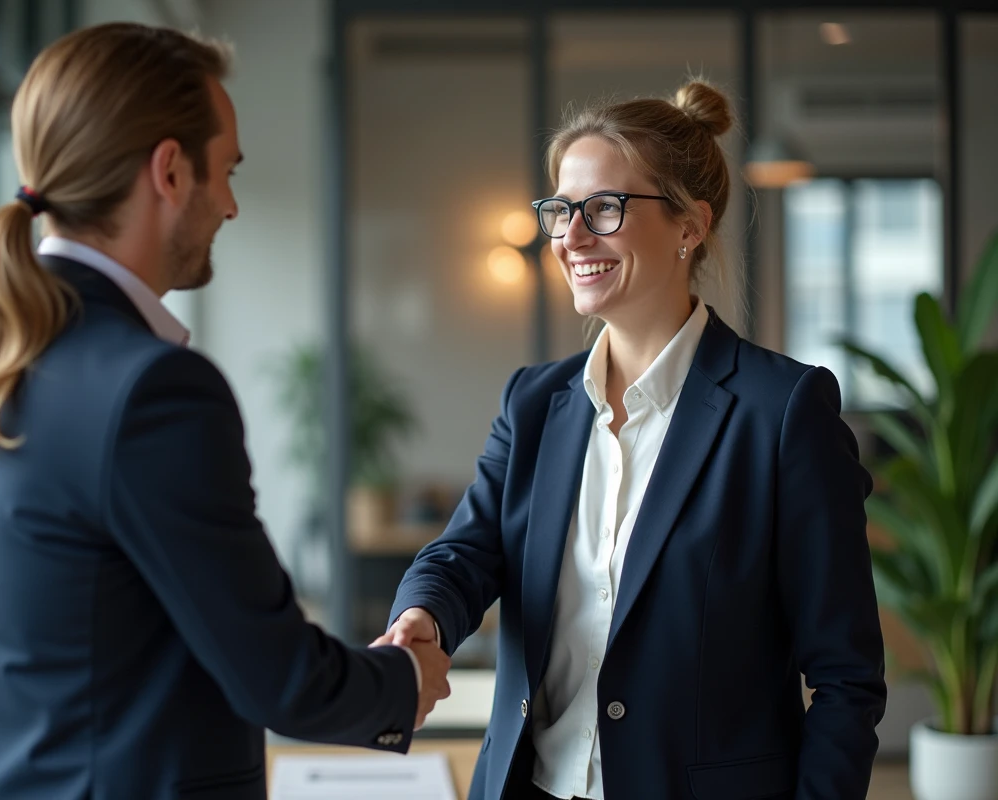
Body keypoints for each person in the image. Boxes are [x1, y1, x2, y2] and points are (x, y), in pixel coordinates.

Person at [0, 22, 450, 800]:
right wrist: (407, 677)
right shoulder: (154, 392)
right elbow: (279, 677)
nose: (230, 205)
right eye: (225, 171)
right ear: (169, 171)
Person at [374, 80, 886, 800]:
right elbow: (464, 552)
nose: (570, 236)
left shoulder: (782, 412)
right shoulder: (534, 403)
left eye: (603, 209)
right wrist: (421, 619)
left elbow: (845, 678)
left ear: (690, 225)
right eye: (560, 209)